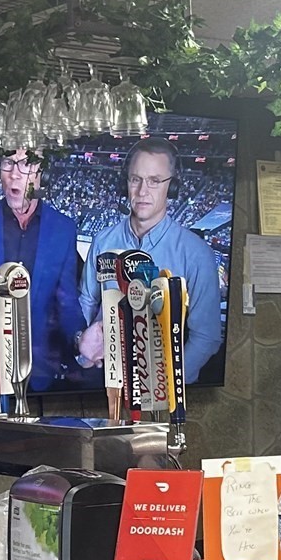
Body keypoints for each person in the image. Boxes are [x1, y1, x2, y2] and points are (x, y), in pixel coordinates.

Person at [77, 138, 225, 381]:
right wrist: (82, 346)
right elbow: (87, 301)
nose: (142, 192)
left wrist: (165, 383)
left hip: (163, 388)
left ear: (173, 187)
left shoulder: (196, 254)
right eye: (135, 179)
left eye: (155, 181)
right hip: (102, 378)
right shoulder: (103, 240)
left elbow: (206, 337)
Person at [0, 148, 85, 391]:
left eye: (26, 164)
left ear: (43, 174)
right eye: (8, 163)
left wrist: (80, 339)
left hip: (40, 376)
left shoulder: (63, 229)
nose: (14, 174)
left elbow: (67, 304)